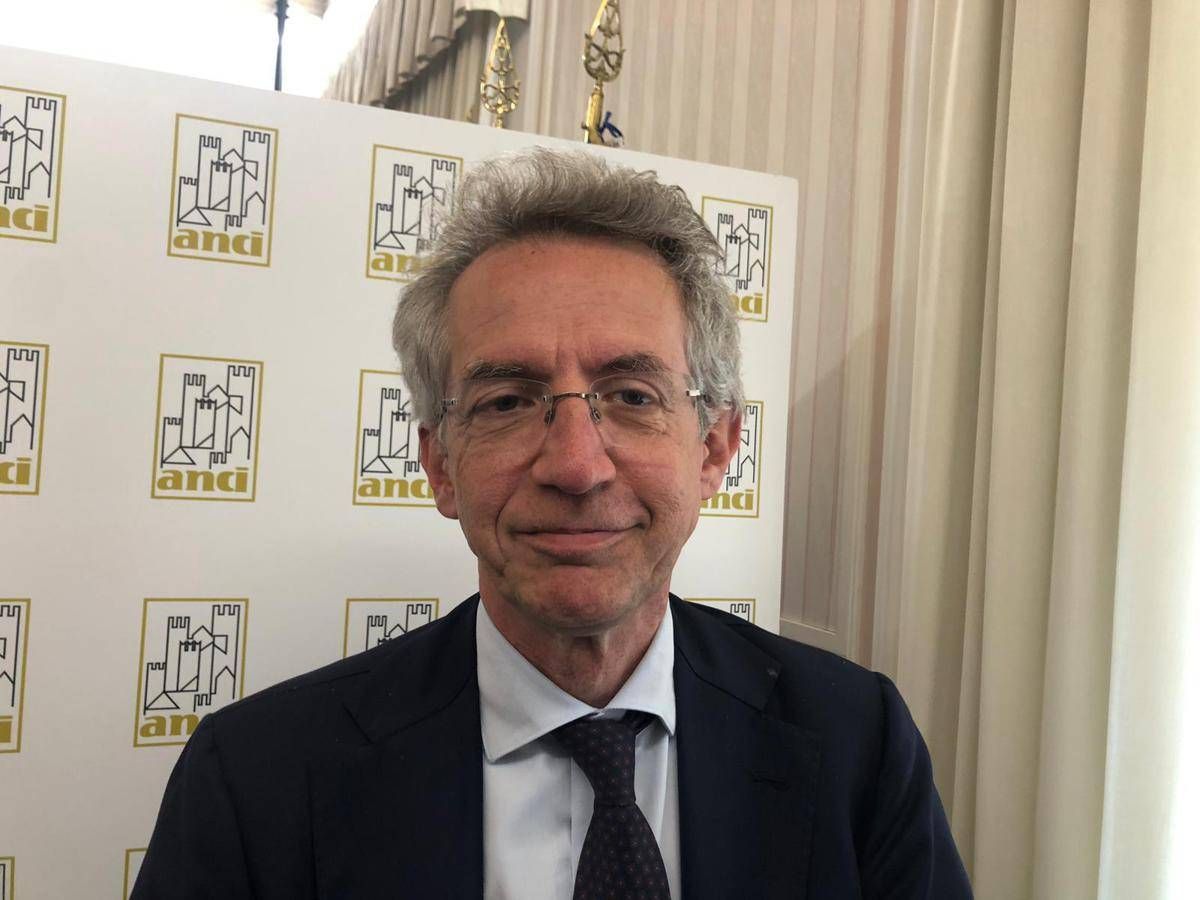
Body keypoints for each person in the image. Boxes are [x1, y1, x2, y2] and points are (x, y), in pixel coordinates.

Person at [133, 148, 972, 899]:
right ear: (440, 464)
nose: (576, 465)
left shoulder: (858, 745)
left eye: (633, 396)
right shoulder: (256, 781)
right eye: (507, 401)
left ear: (714, 448)